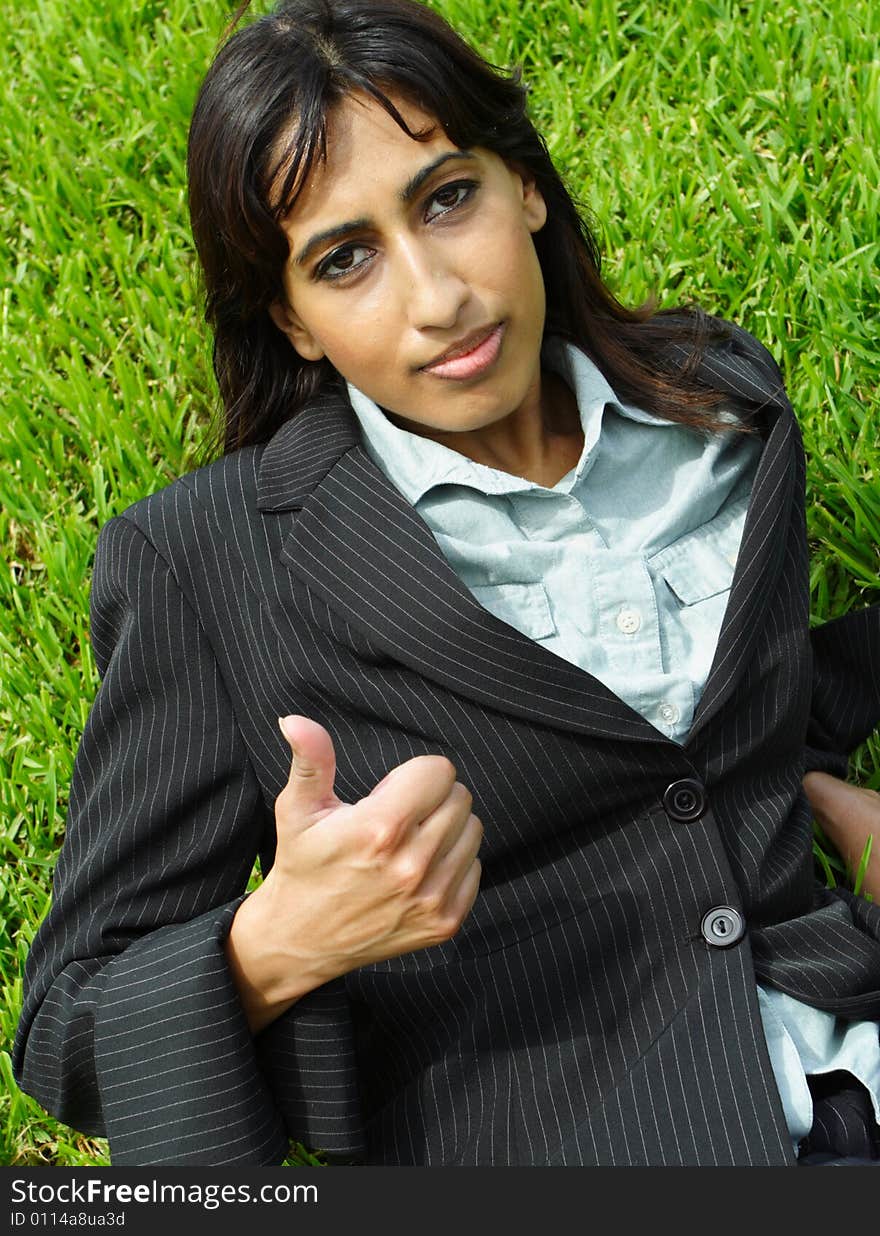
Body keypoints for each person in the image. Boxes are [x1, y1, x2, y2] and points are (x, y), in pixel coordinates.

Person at [13, 0, 880, 1167]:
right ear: (293, 320)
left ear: (522, 183)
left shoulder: (720, 406)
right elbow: (67, 1028)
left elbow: (720, 715)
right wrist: (280, 941)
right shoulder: (208, 565)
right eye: (345, 258)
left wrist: (834, 807)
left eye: (445, 197)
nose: (435, 297)